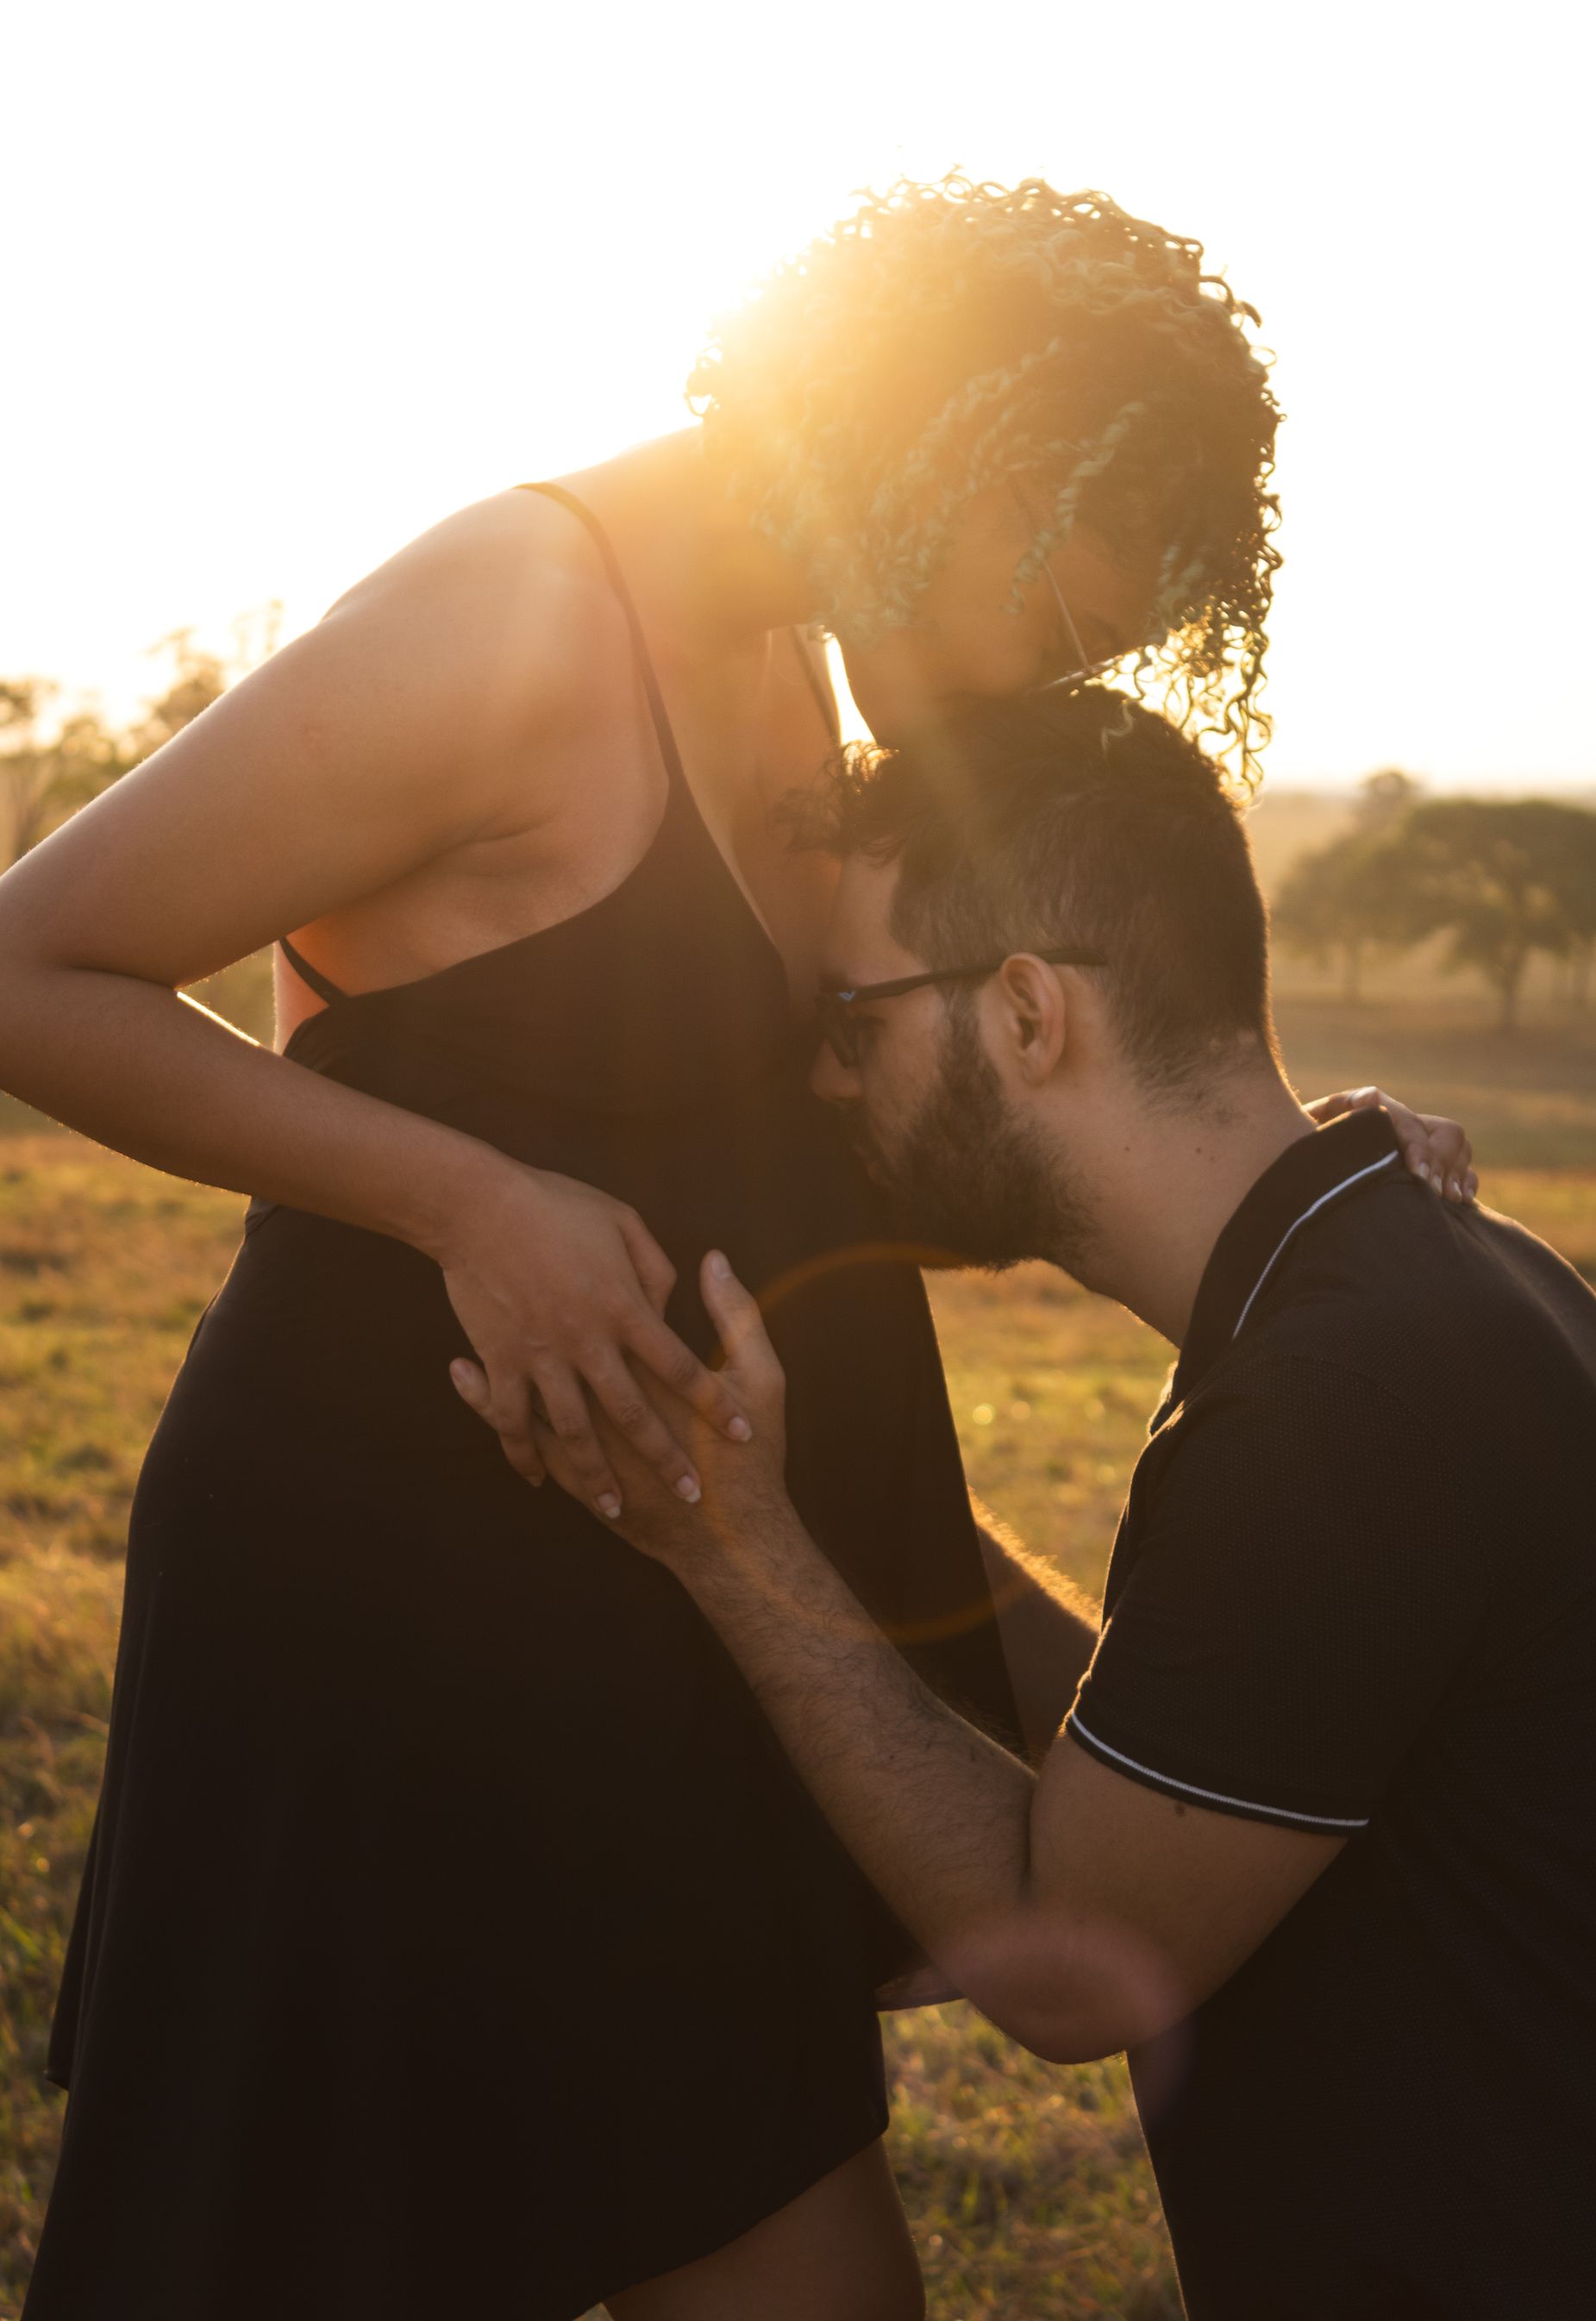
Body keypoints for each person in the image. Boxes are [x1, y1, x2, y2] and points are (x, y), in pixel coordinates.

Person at [0, 178, 1461, 2321]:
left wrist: (1279, 1151)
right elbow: (38, 967)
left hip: (684, 1596)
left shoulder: (790, 651)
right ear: (954, 446)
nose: (1034, 686)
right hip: (382, 1617)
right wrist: (462, 1199)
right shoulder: (509, 616)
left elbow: (882, 1098)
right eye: (1049, 620)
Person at [566, 685, 1596, 2321]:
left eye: (856, 1019)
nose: (822, 1080)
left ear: (1024, 1015)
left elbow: (1063, 1945)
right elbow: (1205, 1755)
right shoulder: (1398, 1276)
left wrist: (737, 1546)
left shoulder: (1339, 1403)